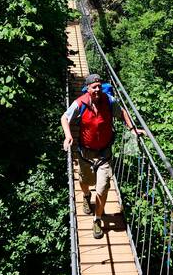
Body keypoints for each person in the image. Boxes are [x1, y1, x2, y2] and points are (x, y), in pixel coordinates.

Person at [62, 73, 144, 239]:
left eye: (100, 86)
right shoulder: (80, 104)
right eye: (94, 87)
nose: (98, 89)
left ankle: (97, 219)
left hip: (104, 153)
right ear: (88, 89)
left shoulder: (109, 100)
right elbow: (64, 117)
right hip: (85, 153)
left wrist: (131, 129)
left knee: (102, 188)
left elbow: (121, 113)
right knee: (86, 182)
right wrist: (68, 135)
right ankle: (86, 196)